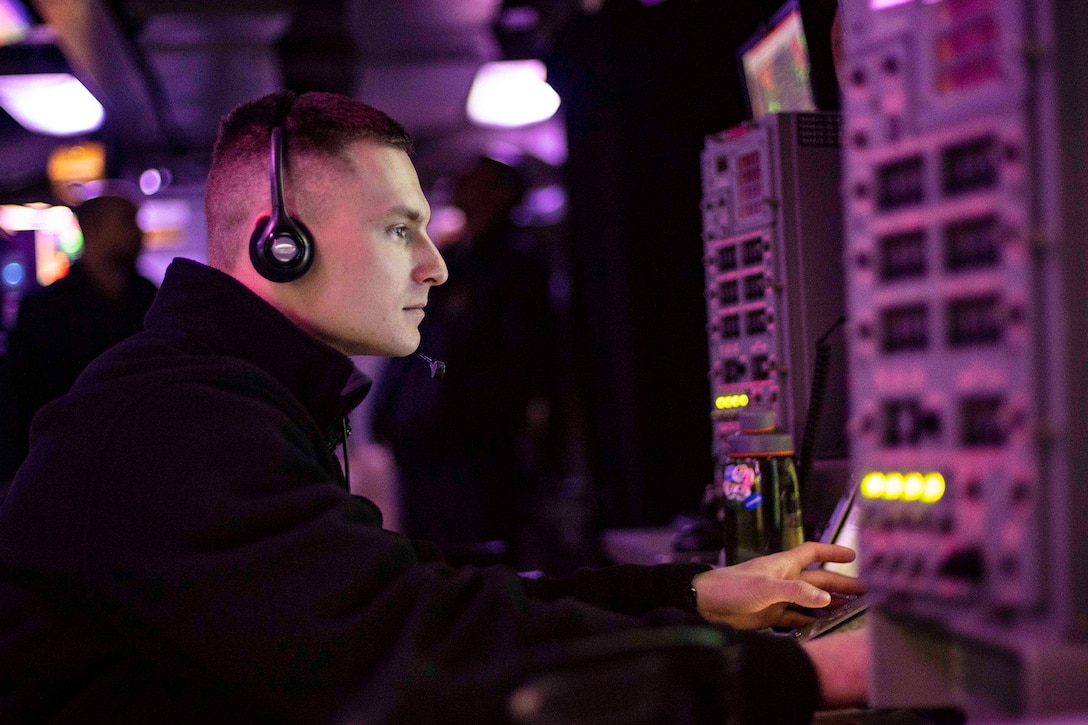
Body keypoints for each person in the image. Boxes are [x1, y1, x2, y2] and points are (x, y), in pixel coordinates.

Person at [0, 90, 867, 723]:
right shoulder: (173, 424)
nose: (434, 265)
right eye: (397, 229)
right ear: (280, 240)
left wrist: (695, 591)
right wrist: (811, 676)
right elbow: (413, 651)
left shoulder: (232, 395)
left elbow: (425, 593)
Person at [370, 155, 558, 566]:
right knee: (432, 548)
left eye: (472, 180)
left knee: (472, 550)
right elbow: (418, 340)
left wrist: (460, 414)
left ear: (500, 194)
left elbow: (519, 360)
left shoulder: (515, 263)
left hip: (474, 444)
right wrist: (390, 411)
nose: (456, 186)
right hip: (427, 437)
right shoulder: (454, 258)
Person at [0, 193, 158, 480]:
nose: (138, 232)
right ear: (92, 228)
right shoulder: (44, 311)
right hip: (65, 465)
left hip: (140, 461)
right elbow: (16, 400)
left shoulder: (150, 298)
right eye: (126, 221)